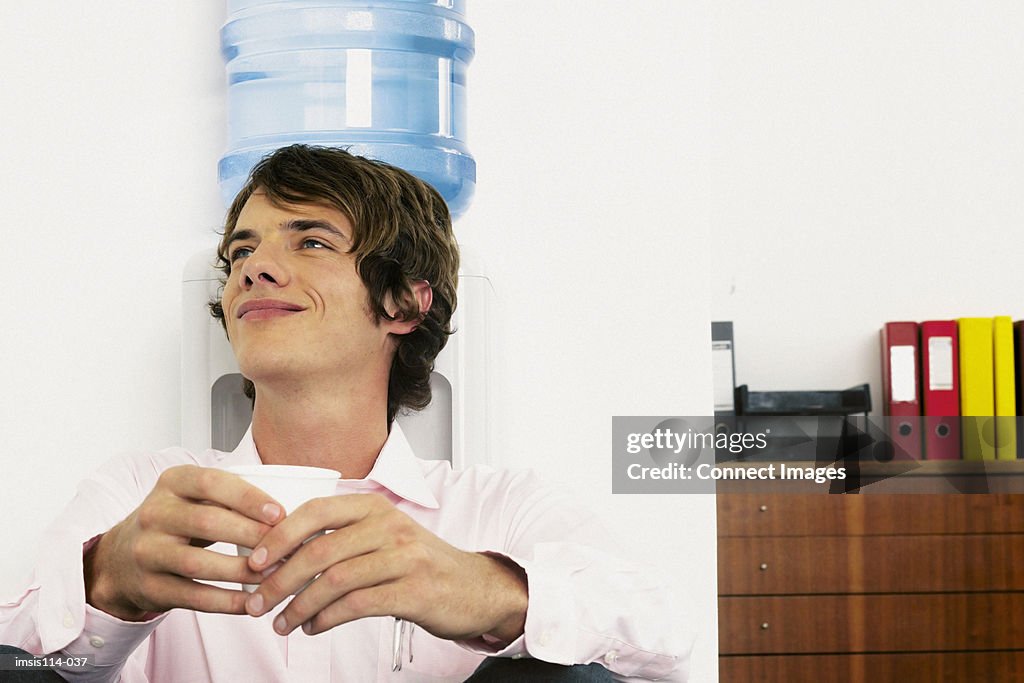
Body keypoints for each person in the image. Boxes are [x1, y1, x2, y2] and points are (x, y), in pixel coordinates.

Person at [0, 145, 694, 681]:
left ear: (404, 302)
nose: (254, 268)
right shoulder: (141, 497)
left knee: (573, 668)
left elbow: (668, 638)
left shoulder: (500, 509)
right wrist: (103, 588)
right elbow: (21, 664)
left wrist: (487, 591)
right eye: (242, 250)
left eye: (310, 241)